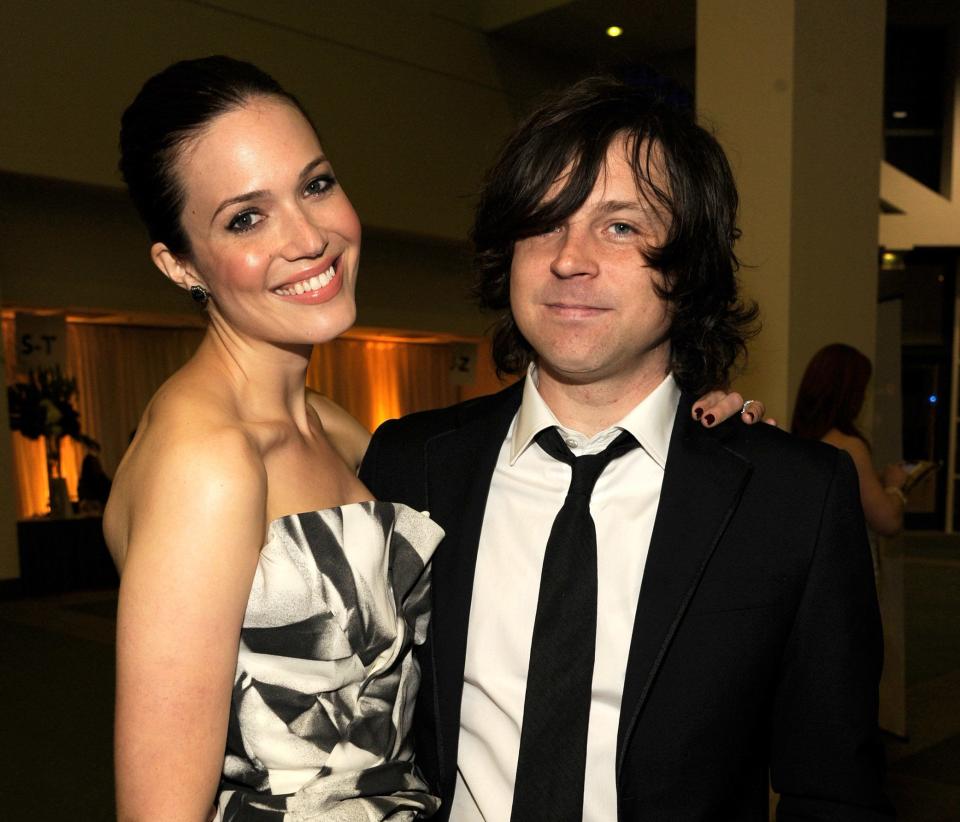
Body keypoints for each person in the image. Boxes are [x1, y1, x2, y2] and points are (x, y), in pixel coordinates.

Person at [104, 57, 754, 821]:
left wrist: (704, 440)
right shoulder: (208, 463)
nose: (308, 237)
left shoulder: (340, 432)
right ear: (179, 263)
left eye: (315, 185)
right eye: (246, 217)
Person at [359, 77, 893, 820]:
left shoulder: (792, 499)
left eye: (619, 227)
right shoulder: (408, 466)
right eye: (544, 223)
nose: (569, 258)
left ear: (690, 263)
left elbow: (830, 787)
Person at [792, 343, 908, 537]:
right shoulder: (848, 447)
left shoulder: (799, 441)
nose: (864, 398)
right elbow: (887, 521)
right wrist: (895, 486)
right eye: (862, 389)